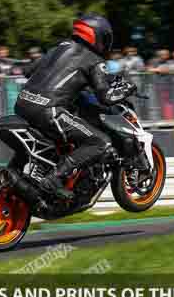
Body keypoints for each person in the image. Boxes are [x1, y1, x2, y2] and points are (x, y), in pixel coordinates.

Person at [14, 13, 137, 200]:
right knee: (101, 142)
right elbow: (105, 97)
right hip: (50, 111)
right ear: (96, 36)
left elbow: (27, 71)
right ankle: (54, 180)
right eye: (105, 38)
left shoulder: (58, 48)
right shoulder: (94, 60)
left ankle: (16, 173)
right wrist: (128, 87)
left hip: (22, 103)